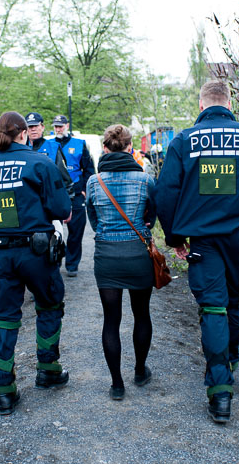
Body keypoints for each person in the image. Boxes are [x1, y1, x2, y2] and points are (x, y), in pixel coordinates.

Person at [154, 80, 239, 424]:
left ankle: (220, 391)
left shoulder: (183, 141)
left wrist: (174, 238)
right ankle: (231, 365)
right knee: (233, 302)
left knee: (213, 307)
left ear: (201, 106)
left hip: (204, 242)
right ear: (229, 103)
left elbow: (166, 193)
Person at [0, 111, 72, 416]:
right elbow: (62, 207)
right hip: (36, 254)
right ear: (23, 133)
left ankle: (4, 391)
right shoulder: (39, 163)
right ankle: (48, 370)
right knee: (49, 306)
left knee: (4, 319)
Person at [86, 124, 156, 401]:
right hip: (138, 253)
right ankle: (140, 370)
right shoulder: (145, 179)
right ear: (130, 148)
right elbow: (153, 214)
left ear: (105, 148)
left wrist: (105, 232)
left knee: (111, 320)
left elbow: (93, 219)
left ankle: (117, 384)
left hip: (107, 256)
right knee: (142, 314)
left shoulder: (94, 182)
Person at [39, 114, 96, 277]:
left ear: (67, 125)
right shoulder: (47, 145)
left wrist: (84, 189)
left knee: (76, 231)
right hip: (55, 192)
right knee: (53, 230)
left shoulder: (79, 144)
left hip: (76, 193)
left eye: (61, 126)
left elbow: (89, 169)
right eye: (56, 126)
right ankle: (54, 260)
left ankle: (72, 264)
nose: (58, 129)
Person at [26, 112, 74, 199]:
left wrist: (68, 201)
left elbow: (65, 179)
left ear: (42, 127)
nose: (33, 129)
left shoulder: (53, 147)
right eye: (30, 127)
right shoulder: (22, 149)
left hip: (50, 199)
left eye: (36, 126)